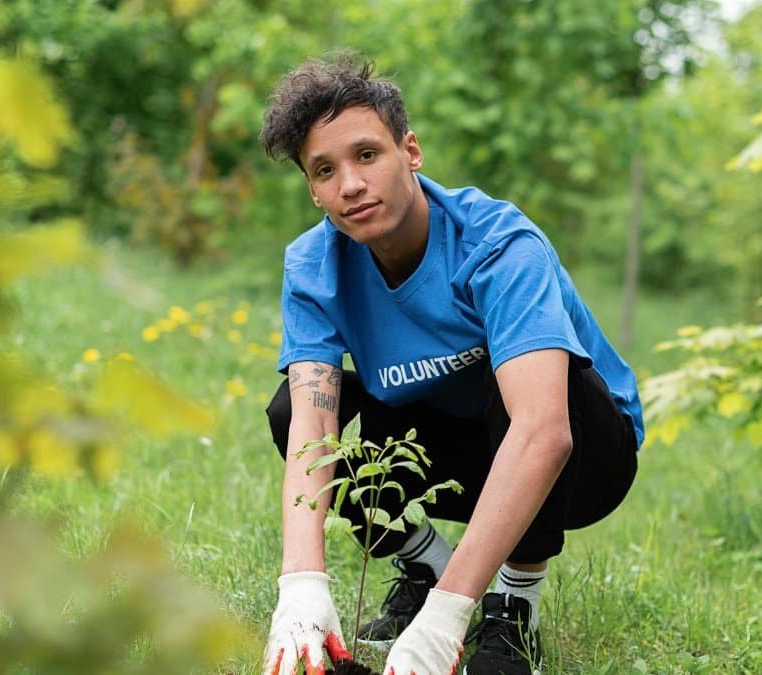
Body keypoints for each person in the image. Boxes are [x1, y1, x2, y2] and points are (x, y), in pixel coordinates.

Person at [259, 54, 643, 675]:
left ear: (410, 151)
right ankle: (425, 563)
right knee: (290, 408)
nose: (350, 184)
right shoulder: (313, 266)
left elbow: (543, 431)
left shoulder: (497, 244)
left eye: (366, 155)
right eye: (324, 170)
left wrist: (448, 615)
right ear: (312, 188)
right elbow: (313, 428)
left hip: (584, 456)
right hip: (453, 445)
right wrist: (300, 582)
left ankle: (512, 608)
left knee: (537, 383)